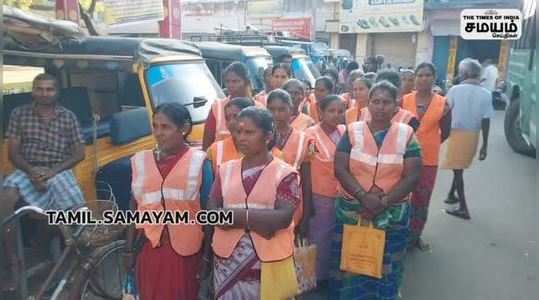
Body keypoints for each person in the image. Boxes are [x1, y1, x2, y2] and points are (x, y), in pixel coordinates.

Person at [331, 81, 422, 299]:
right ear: (368, 104)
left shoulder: (407, 134)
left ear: (396, 105)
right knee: (352, 261)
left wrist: (384, 202)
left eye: (386, 102)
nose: (380, 107)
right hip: (353, 210)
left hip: (392, 213)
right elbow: (340, 168)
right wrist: (363, 197)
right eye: (376, 101)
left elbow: (412, 176)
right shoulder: (352, 131)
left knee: (387, 262)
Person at [1, 73, 86, 291]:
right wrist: (32, 172)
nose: (44, 93)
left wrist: (50, 173)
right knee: (5, 197)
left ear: (57, 92)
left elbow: (79, 154)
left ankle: (58, 257)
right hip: (27, 167)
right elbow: (13, 153)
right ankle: (13, 263)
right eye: (39, 88)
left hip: (59, 169)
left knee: (76, 211)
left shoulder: (68, 117)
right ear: (33, 90)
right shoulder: (18, 114)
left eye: (49, 89)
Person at [207, 107, 300, 299]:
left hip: (269, 259)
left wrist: (234, 216)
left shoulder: (285, 173)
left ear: (267, 135)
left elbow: (282, 218)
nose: (241, 138)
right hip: (227, 261)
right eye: (238, 132)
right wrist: (260, 221)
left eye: (249, 132)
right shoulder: (225, 170)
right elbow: (212, 213)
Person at [125, 103, 213, 300]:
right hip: (148, 248)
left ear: (184, 129)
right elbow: (133, 207)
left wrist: (207, 257)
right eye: (155, 126)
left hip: (185, 252)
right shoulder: (140, 161)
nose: (158, 133)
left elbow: (209, 215)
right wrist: (128, 250)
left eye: (165, 127)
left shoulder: (200, 162)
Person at [401, 63, 451, 250]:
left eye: (427, 75)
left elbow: (445, 132)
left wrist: (429, 143)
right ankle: (400, 233)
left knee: (422, 199)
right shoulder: (404, 100)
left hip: (428, 160)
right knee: (402, 197)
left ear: (434, 77)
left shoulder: (442, 103)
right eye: (420, 75)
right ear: (415, 78)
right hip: (403, 158)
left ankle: (415, 236)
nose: (423, 79)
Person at [441, 58, 494, 220]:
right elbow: (486, 120)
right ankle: (451, 194)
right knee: (458, 166)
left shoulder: (455, 90)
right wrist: (484, 145)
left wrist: (441, 135)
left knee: (457, 170)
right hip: (473, 136)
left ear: (464, 73)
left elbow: (445, 112)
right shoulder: (486, 93)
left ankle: (464, 208)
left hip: (457, 134)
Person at [304, 95, 346, 286]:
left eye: (340, 111)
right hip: (319, 196)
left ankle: (333, 276)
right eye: (331, 111)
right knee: (319, 238)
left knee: (338, 238)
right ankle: (316, 279)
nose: (336, 115)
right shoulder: (310, 135)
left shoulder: (345, 132)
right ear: (320, 112)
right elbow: (306, 167)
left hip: (344, 196)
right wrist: (308, 200)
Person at [267, 89, 312, 234]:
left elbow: (306, 180)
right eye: (272, 109)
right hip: (264, 203)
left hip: (292, 204)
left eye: (281, 109)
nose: (276, 114)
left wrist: (306, 216)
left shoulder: (304, 139)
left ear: (291, 109)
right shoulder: (260, 136)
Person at [202, 62, 253, 150]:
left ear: (246, 82)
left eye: (235, 81)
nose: (231, 85)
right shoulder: (217, 107)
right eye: (227, 81)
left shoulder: (260, 108)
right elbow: (207, 144)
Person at [207, 97, 255, 172]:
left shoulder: (264, 150)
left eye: (236, 116)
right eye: (227, 118)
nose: (231, 122)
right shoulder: (215, 150)